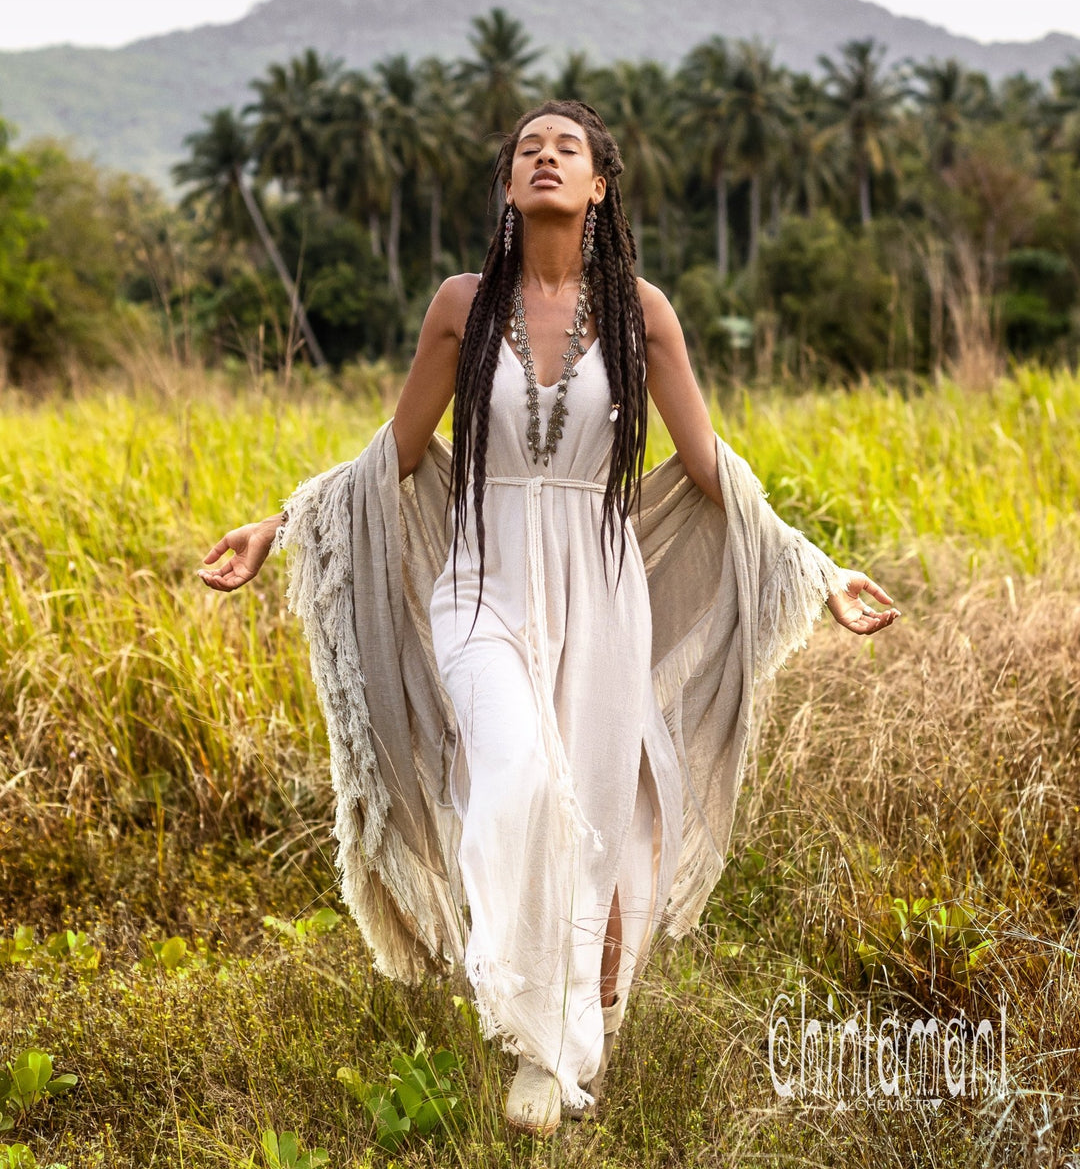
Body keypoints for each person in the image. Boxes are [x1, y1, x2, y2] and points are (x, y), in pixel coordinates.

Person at [198, 100, 899, 1136]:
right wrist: (280, 523)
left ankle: (559, 1052)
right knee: (520, 777)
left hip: (604, 596)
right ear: (508, 183)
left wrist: (819, 567)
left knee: (598, 821)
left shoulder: (642, 313)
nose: (545, 156)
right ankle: (526, 1020)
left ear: (598, 185)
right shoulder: (462, 305)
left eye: (566, 147)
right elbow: (395, 452)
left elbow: (710, 465)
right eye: (527, 147)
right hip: (481, 589)